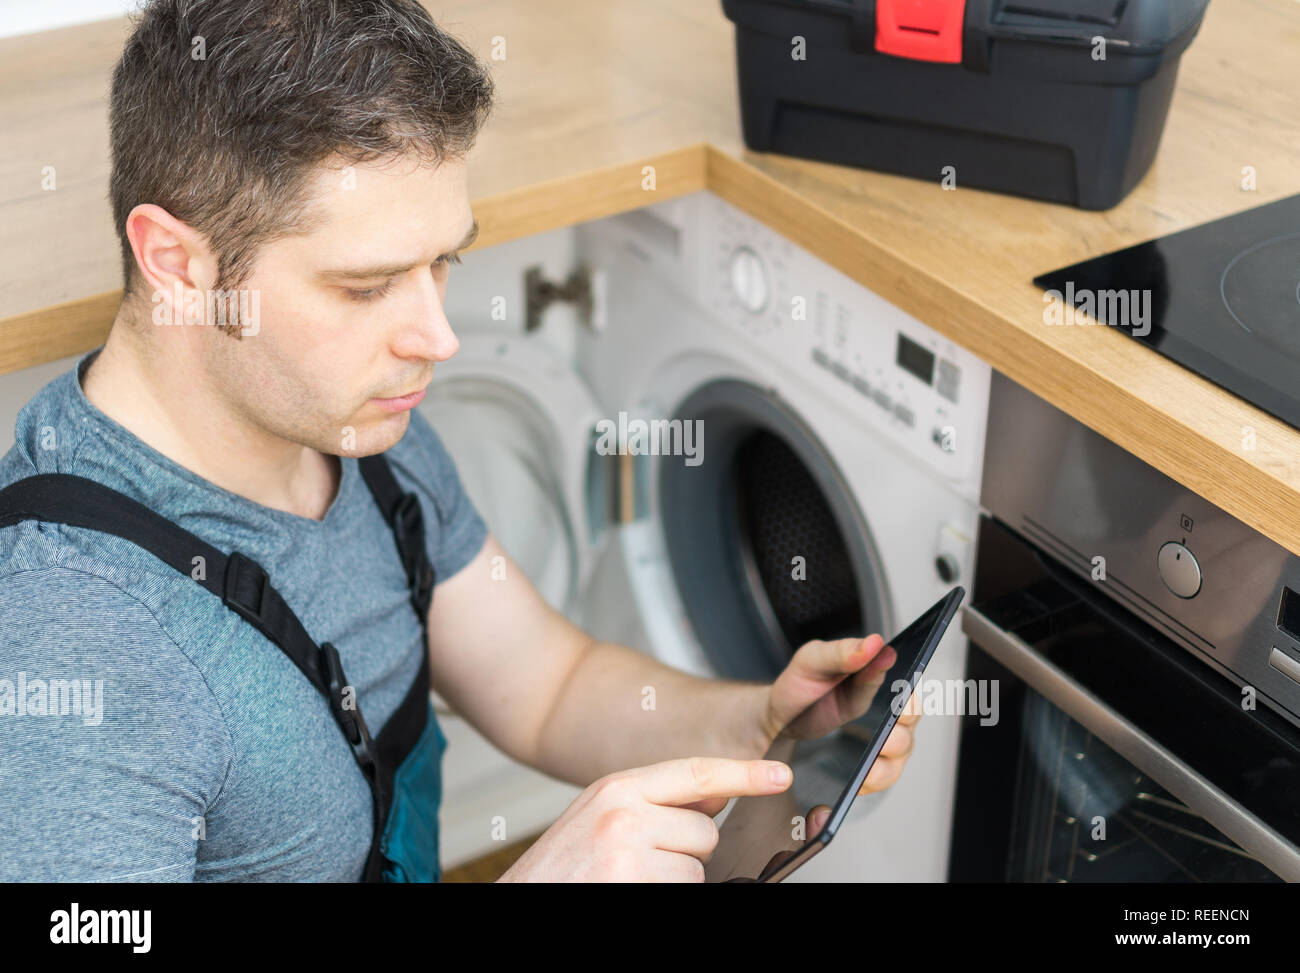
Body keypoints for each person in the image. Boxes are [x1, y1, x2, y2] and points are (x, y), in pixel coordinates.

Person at [0, 0, 920, 882]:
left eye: (444, 262)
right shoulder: (75, 641)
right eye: (367, 287)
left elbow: (550, 684)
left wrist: (760, 718)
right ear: (179, 265)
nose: (437, 337)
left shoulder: (359, 429)